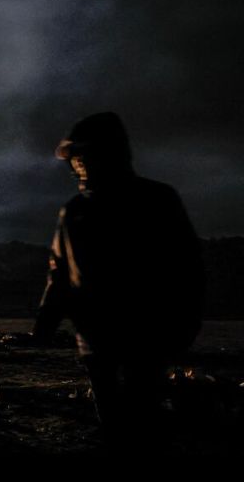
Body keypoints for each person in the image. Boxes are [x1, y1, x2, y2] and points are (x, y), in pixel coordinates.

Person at [32, 112, 205, 448]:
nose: (76, 165)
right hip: (100, 343)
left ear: (107, 153)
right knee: (116, 422)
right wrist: (43, 327)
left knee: (139, 419)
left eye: (81, 155)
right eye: (73, 158)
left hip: (148, 337)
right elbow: (60, 275)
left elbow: (187, 269)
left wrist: (184, 327)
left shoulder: (156, 201)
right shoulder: (75, 213)